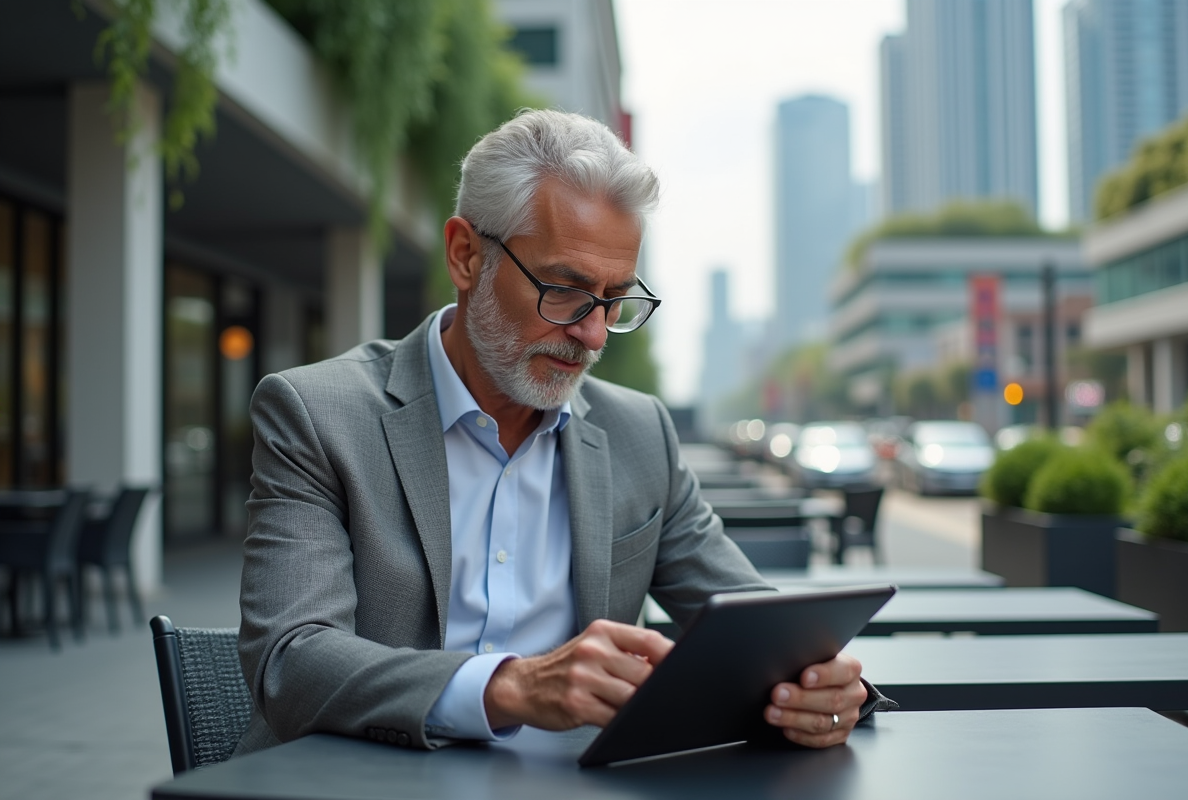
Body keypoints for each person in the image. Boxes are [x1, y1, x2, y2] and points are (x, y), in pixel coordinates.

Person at [235, 109, 889, 757]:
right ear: (466, 256)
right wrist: (508, 687)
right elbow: (291, 661)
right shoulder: (317, 414)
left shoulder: (640, 434)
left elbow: (756, 636)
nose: (594, 333)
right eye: (565, 290)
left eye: (614, 299)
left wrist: (823, 690)